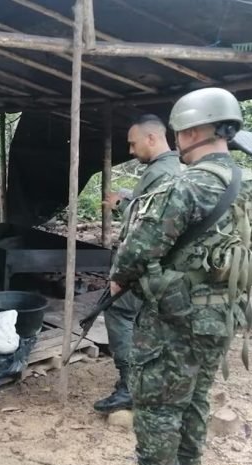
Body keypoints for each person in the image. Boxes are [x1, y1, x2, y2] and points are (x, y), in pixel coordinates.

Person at [109, 88, 252, 465]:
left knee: (159, 409)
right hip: (222, 314)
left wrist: (118, 281)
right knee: (196, 398)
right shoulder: (248, 183)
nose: (177, 140)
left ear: (194, 132)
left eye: (179, 132)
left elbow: (139, 250)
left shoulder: (187, 185)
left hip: (176, 319)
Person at [94, 114, 183, 414]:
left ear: (151, 138)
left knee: (118, 310)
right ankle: (148, 381)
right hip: (159, 266)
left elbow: (149, 224)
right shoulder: (167, 169)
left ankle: (129, 386)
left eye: (133, 144)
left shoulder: (163, 173)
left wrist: (123, 272)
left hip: (147, 264)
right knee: (146, 322)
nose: (130, 151)